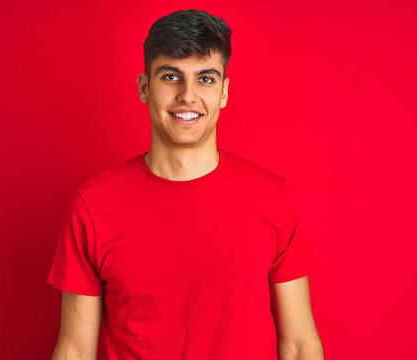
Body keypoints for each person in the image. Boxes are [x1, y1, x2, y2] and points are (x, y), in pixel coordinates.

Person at [47, 9, 324, 360]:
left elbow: (300, 345)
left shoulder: (274, 199)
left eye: (206, 79)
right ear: (145, 87)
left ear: (224, 92)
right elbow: (74, 350)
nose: (187, 96)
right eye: (171, 76)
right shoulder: (93, 206)